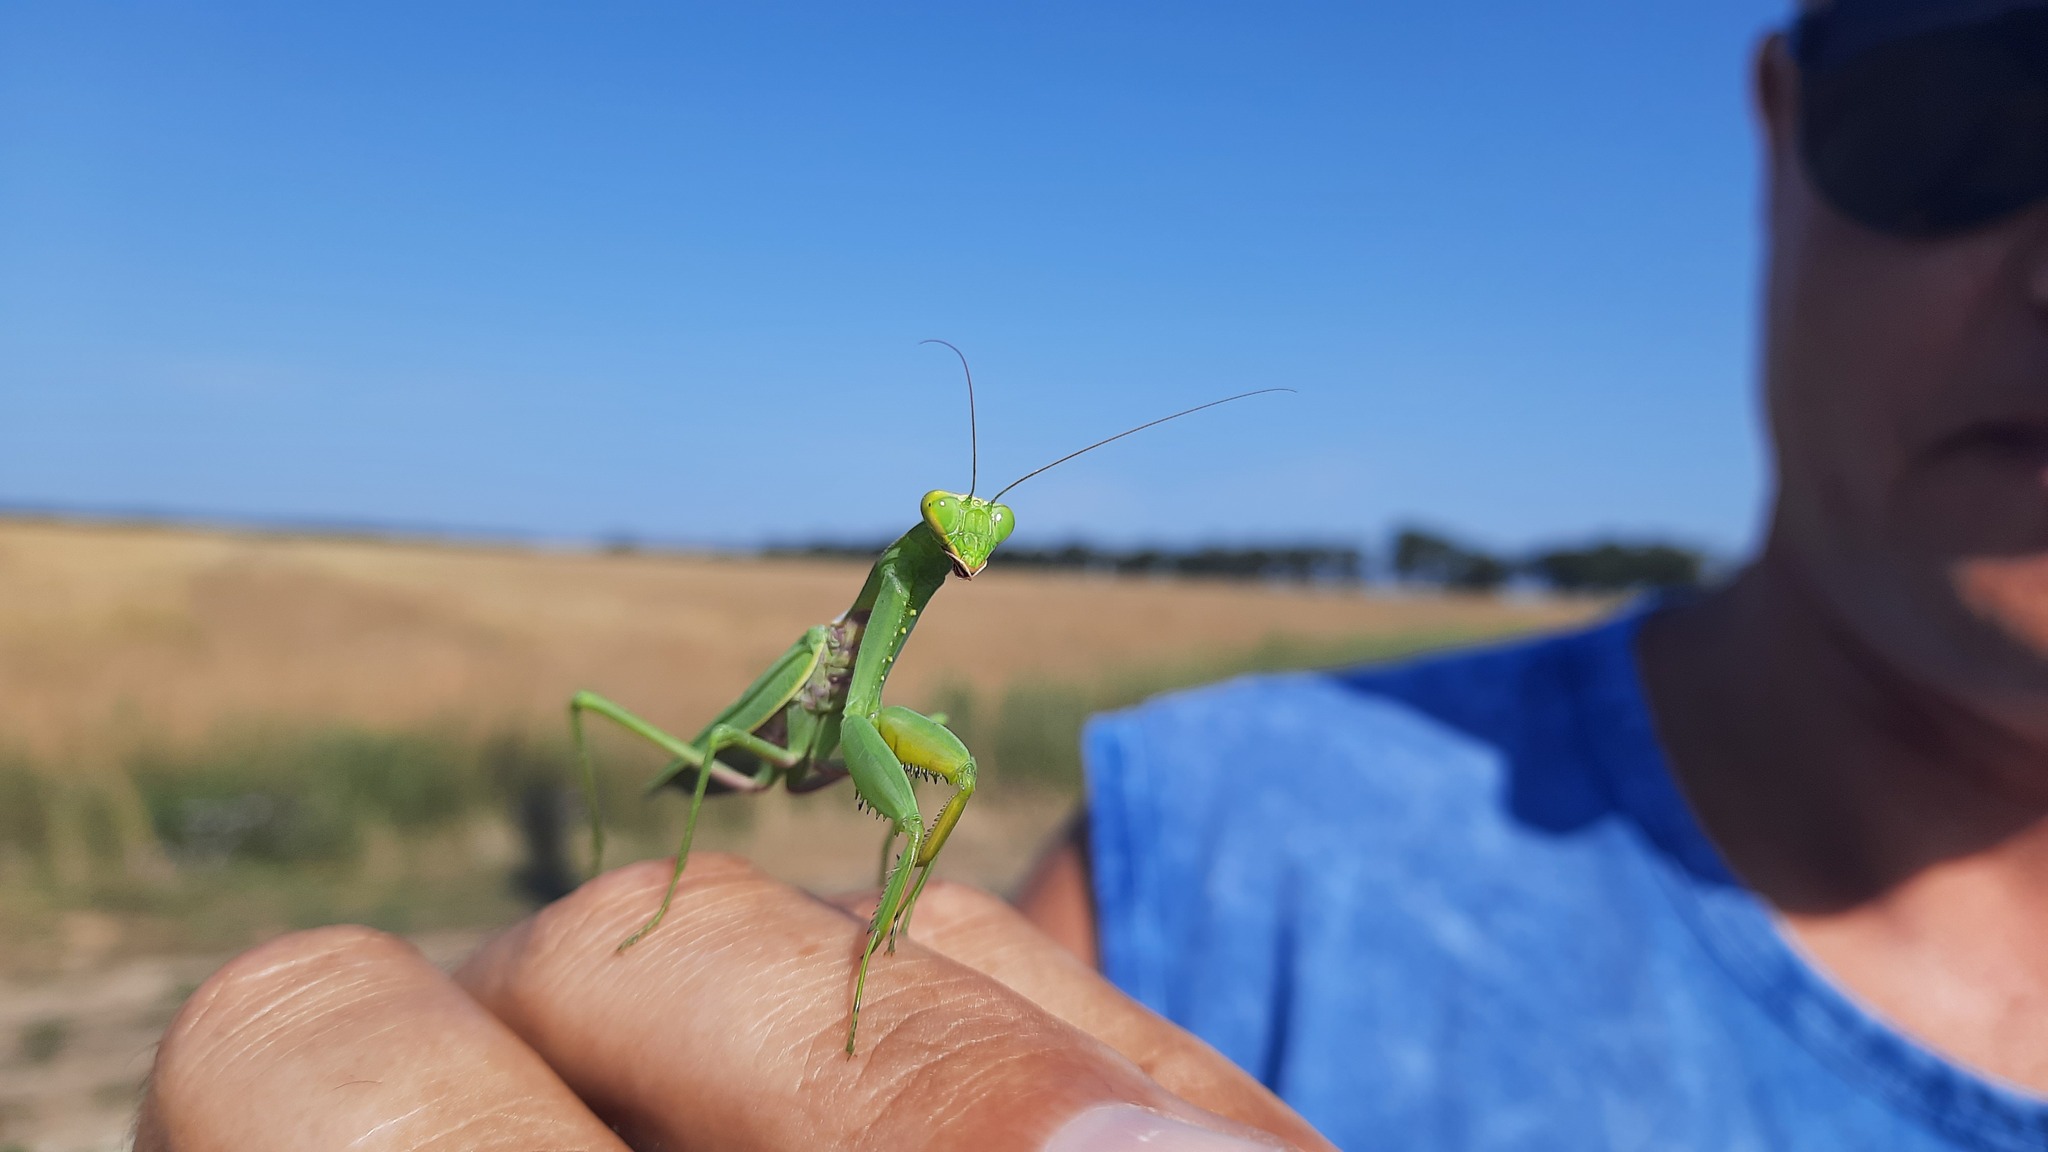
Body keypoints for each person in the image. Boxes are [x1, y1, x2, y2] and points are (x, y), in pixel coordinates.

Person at [139, 0, 2048, 1147]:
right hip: (725, 754)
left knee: (928, 771)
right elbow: (822, 734)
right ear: (1782, 138)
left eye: (986, 538)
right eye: (1981, 94)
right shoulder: (1204, 858)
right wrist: (657, 953)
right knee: (717, 765)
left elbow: (895, 754)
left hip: (836, 740)